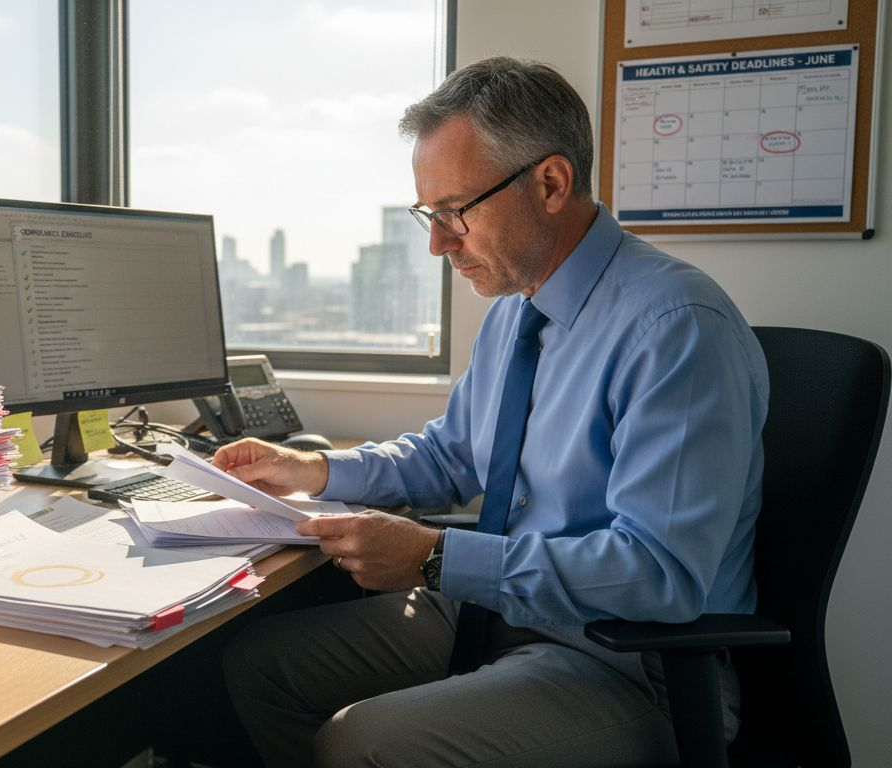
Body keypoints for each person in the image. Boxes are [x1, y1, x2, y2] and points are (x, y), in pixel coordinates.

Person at [216, 56, 769, 768]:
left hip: (630, 660)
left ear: (549, 183)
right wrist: (314, 469)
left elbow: (658, 572)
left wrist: (437, 557)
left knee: (362, 743)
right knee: (262, 665)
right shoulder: (518, 308)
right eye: (429, 213)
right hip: (506, 613)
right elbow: (453, 455)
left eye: (455, 212)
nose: (438, 243)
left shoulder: (676, 327)